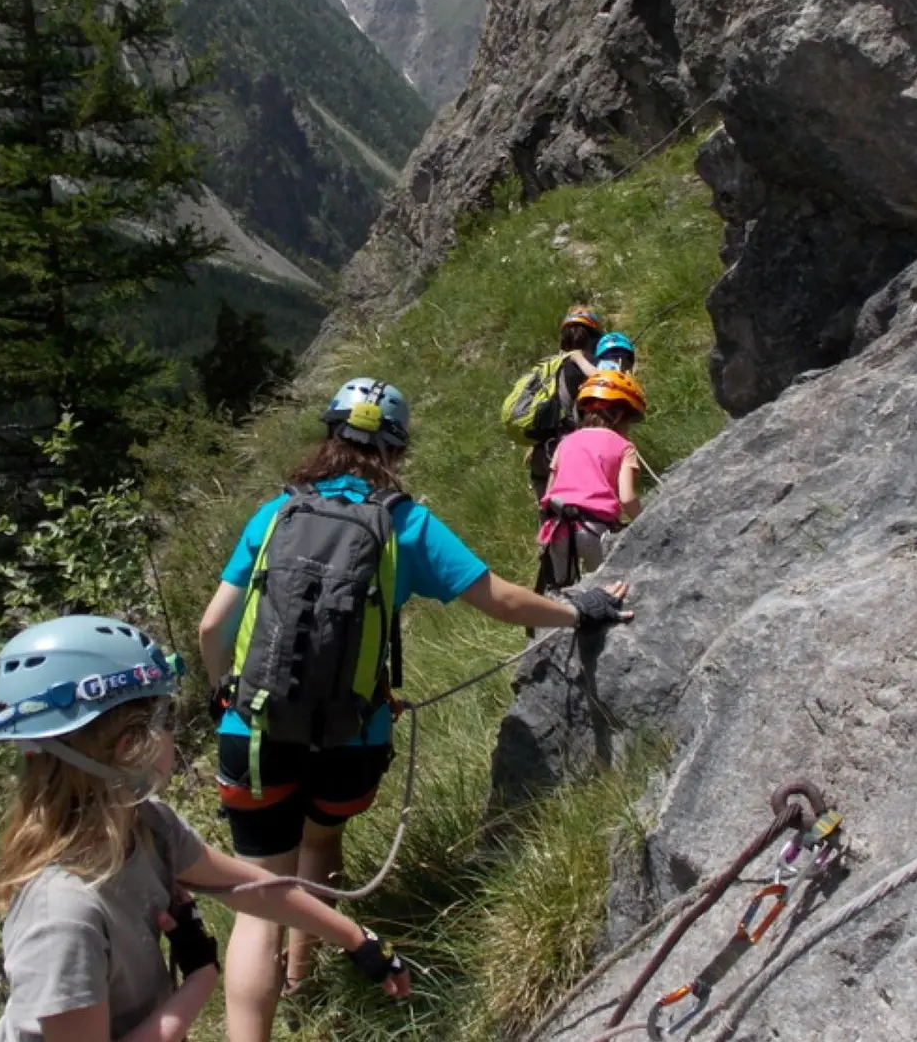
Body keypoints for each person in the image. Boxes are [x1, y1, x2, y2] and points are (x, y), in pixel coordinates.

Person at [197, 377, 632, 1042]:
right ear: (395, 452)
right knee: (323, 838)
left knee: (259, 903)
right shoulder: (406, 525)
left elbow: (211, 628)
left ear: (328, 437)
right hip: (352, 737)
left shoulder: (275, 514)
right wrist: (581, 610)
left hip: (252, 732)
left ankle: (271, 1009)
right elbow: (501, 600)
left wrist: (223, 689)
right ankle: (303, 972)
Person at [0, 615, 412, 1042]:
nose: (174, 729)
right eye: (164, 717)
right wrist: (200, 978)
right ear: (129, 746)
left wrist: (357, 939)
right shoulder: (62, 916)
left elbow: (253, 888)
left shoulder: (146, 825)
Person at [537, 370, 646, 591]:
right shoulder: (624, 447)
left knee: (562, 594)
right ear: (617, 416)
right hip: (595, 528)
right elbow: (627, 497)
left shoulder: (565, 443)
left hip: (557, 527)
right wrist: (645, 523)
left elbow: (548, 492)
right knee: (606, 591)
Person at [527, 306, 606, 502]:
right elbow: (606, 384)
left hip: (540, 454)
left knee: (549, 525)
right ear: (594, 338)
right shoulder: (587, 363)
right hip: (570, 453)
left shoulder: (549, 367)